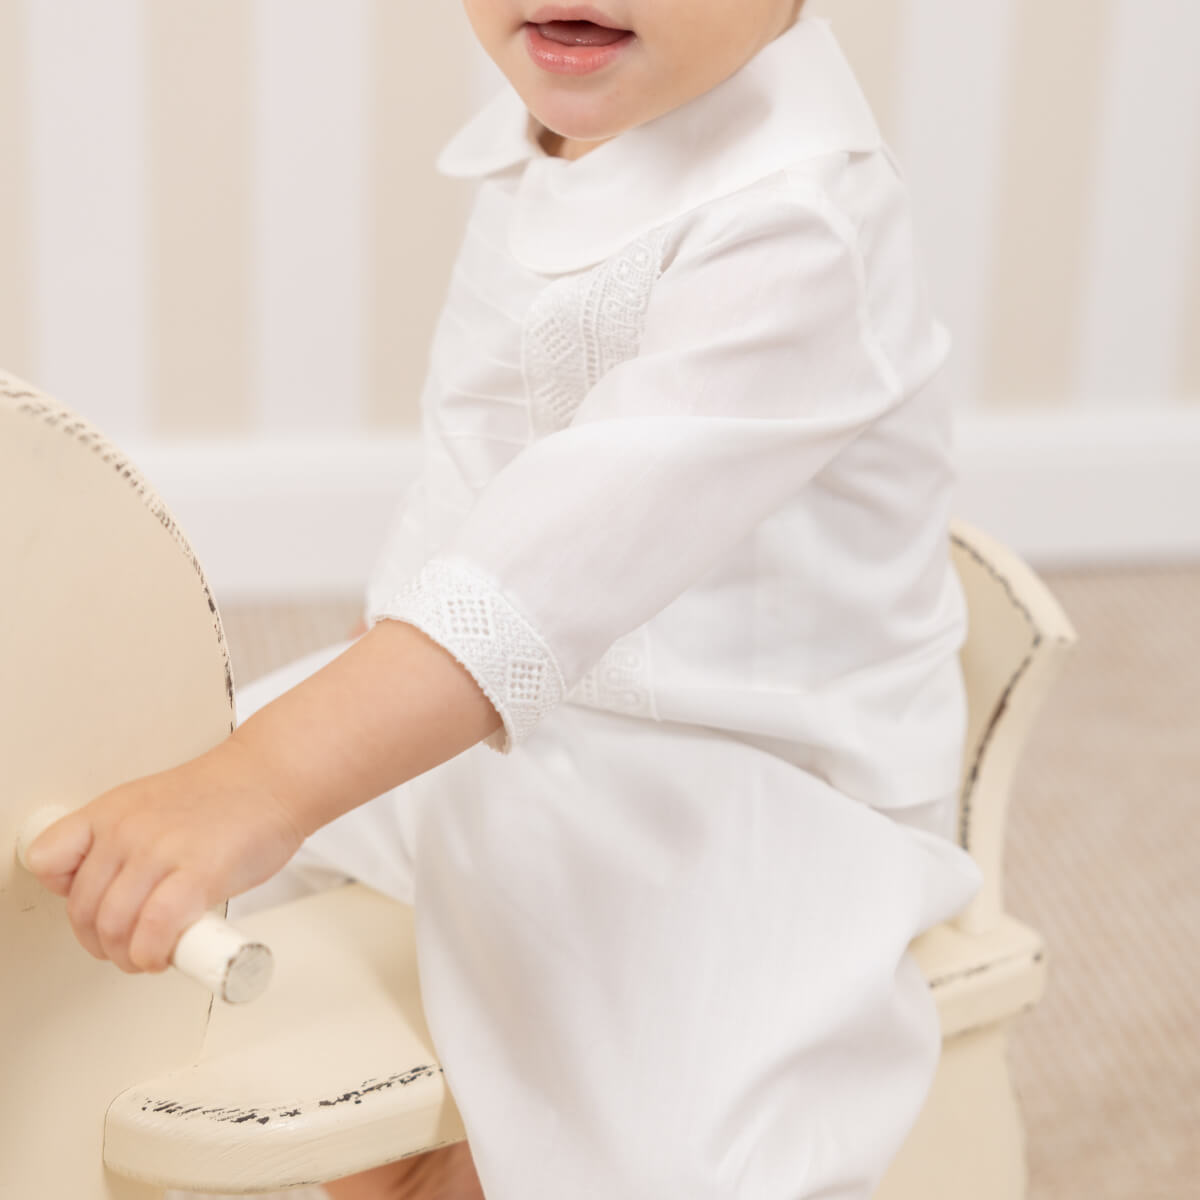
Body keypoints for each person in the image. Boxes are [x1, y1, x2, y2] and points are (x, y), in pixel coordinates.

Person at [27, 2, 985, 1197]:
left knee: (659, 1141)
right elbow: (479, 479)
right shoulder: (558, 128)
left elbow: (550, 570)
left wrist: (263, 782)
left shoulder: (798, 230)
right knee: (116, 833)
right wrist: (283, 739)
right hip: (503, 704)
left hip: (737, 771)